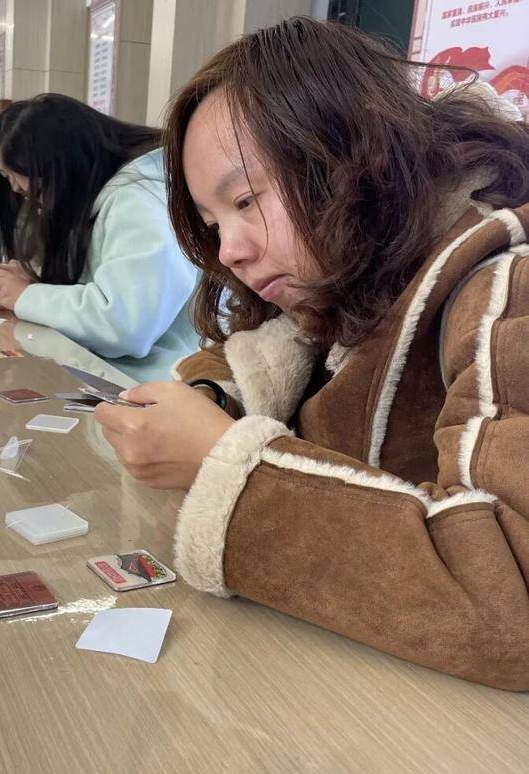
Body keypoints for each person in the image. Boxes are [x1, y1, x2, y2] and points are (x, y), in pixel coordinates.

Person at [95, 17, 529, 689]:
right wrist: (211, 402)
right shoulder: (337, 279)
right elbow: (242, 352)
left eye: (246, 201)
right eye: (213, 225)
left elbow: (510, 595)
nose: (229, 251)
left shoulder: (504, 289)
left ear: (349, 157)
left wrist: (229, 466)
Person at [0, 94, 199, 382]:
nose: (16, 188)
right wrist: (35, 278)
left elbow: (123, 326)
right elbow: (106, 283)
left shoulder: (138, 200)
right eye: (6, 176)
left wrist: (25, 295)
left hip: (155, 384)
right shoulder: (108, 196)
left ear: (59, 164)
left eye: (15, 174)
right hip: (127, 377)